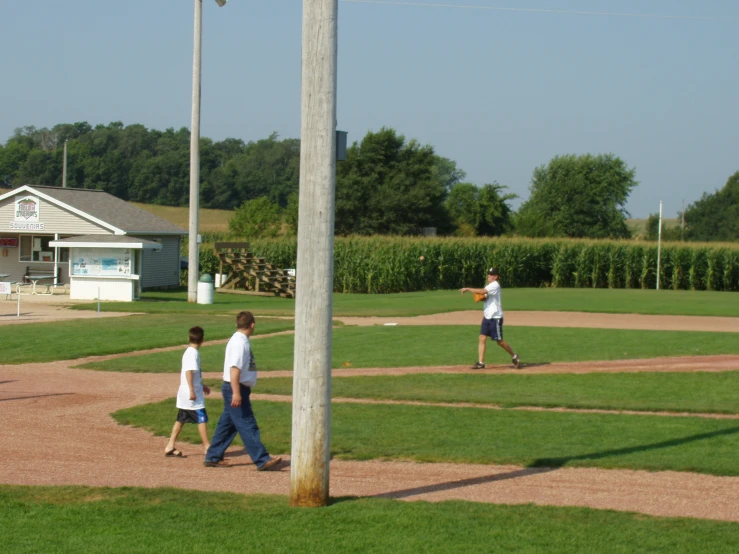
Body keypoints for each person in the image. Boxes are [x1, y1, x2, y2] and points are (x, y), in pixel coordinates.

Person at [204, 311, 282, 471]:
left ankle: (213, 456)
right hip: (236, 387)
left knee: (228, 425)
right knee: (247, 424)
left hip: (235, 387)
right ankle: (262, 459)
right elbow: (234, 369)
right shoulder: (240, 343)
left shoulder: (239, 340)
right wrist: (236, 392)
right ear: (252, 325)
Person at [460, 267, 520, 369]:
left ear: (496, 276)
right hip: (487, 317)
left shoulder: (495, 285)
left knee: (499, 341)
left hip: (495, 318)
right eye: (488, 274)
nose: (489, 275)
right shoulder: (490, 285)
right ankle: (481, 363)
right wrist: (483, 298)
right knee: (482, 338)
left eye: (491, 274)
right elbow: (486, 296)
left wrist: (468, 289)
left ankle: (514, 356)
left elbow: (483, 291)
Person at [165, 326, 211, 457]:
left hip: (188, 391)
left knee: (182, 418)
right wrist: (192, 390)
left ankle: (170, 445)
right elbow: (189, 372)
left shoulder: (189, 352)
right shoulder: (193, 353)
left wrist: (202, 386)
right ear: (203, 340)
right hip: (191, 394)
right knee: (202, 417)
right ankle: (207, 446)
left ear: (188, 338)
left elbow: (193, 374)